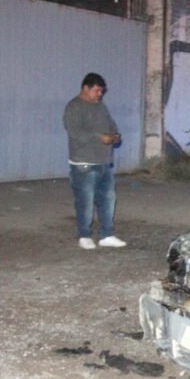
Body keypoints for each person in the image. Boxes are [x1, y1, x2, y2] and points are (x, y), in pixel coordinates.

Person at [63, 73, 127, 250]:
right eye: (97, 90)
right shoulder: (74, 107)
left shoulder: (100, 106)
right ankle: (84, 235)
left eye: (101, 91)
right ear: (85, 88)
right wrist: (100, 138)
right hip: (84, 163)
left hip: (104, 162)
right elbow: (75, 132)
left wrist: (115, 135)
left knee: (108, 198)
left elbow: (110, 123)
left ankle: (107, 234)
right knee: (85, 200)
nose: (100, 94)